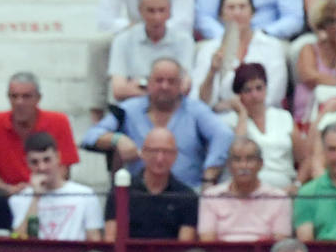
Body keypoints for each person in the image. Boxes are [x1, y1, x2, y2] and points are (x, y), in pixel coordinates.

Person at [83, 58, 234, 188]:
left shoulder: (196, 110)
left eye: (171, 81)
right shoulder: (128, 109)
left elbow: (224, 135)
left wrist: (209, 174)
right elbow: (90, 136)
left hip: (187, 195)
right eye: (159, 80)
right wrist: (117, 139)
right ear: (148, 83)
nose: (164, 86)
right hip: (139, 194)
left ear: (181, 84)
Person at [0, 72, 81, 195]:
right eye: (14, 96)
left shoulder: (59, 121)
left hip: (48, 193)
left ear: (38, 98)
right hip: (5, 196)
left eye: (26, 96)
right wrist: (10, 190)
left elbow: (64, 170)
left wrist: (33, 190)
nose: (19, 102)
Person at [192, 0, 289, 115]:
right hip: (222, 117)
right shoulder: (209, 49)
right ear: (221, 14)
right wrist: (212, 72)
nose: (237, 13)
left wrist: (238, 107)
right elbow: (200, 100)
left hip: (264, 115)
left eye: (242, 7)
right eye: (231, 8)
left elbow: (275, 94)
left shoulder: (272, 46)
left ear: (253, 13)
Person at [104, 127, 199, 241]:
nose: (160, 158)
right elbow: (111, 239)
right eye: (154, 151)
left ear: (175, 155)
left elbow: (184, 245)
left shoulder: (187, 196)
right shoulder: (121, 192)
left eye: (167, 152)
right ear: (143, 153)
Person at [223, 63, 305, 190]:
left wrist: (297, 185)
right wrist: (242, 113)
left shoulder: (284, 117)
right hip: (247, 188)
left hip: (283, 187)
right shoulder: (232, 121)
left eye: (259, 88)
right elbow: (237, 150)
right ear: (238, 95)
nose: (254, 95)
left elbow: (304, 159)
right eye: (247, 90)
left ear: (266, 89)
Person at [9, 133, 105, 241]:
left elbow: (94, 239)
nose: (42, 167)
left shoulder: (85, 195)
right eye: (34, 162)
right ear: (27, 163)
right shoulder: (19, 199)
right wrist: (36, 197)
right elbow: (17, 239)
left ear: (58, 157)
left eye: (47, 160)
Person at [198, 136, 291, 241]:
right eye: (237, 160)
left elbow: (280, 243)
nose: (243, 165)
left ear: (261, 164)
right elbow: (207, 241)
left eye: (250, 159)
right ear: (228, 165)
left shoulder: (278, 198)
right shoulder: (211, 196)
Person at [111, 0, 197, 102]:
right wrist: (166, 89)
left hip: (173, 107)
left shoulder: (184, 41)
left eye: (161, 10)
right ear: (140, 12)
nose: (157, 17)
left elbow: (184, 88)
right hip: (134, 107)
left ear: (169, 12)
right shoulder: (123, 40)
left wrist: (141, 85)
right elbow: (118, 90)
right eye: (151, 11)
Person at [195, 0, 305, 39]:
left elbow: (294, 18)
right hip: (222, 37)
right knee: (204, 52)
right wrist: (224, 37)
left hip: (270, 36)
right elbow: (204, 17)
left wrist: (264, 33)